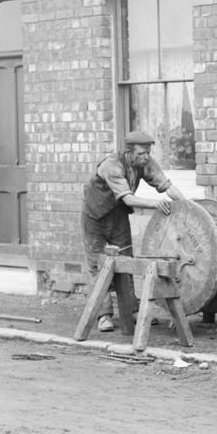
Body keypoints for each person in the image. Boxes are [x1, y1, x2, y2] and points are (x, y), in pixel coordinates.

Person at [81, 131, 186, 332]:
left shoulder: (144, 163)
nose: (146, 157)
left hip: (118, 215)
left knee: (126, 261)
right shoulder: (111, 166)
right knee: (98, 265)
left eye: (148, 152)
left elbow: (166, 186)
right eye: (142, 153)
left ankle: (132, 310)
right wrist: (156, 204)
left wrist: (188, 206)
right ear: (129, 152)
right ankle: (104, 315)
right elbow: (128, 199)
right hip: (94, 217)